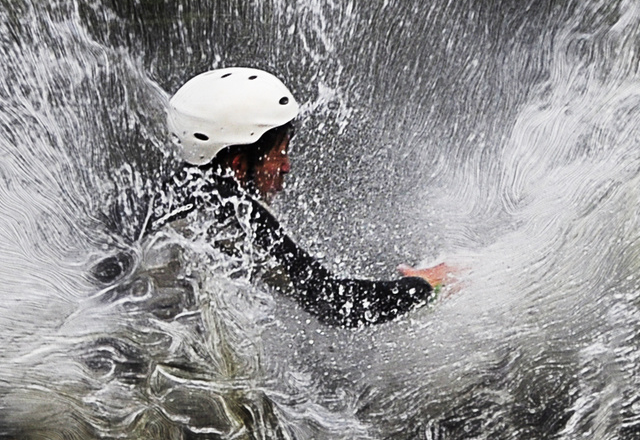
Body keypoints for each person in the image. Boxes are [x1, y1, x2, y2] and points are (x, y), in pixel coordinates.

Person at [146, 66, 453, 327]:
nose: (286, 166)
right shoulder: (233, 211)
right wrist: (423, 286)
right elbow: (334, 302)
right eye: (279, 151)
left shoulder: (164, 194)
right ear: (238, 165)